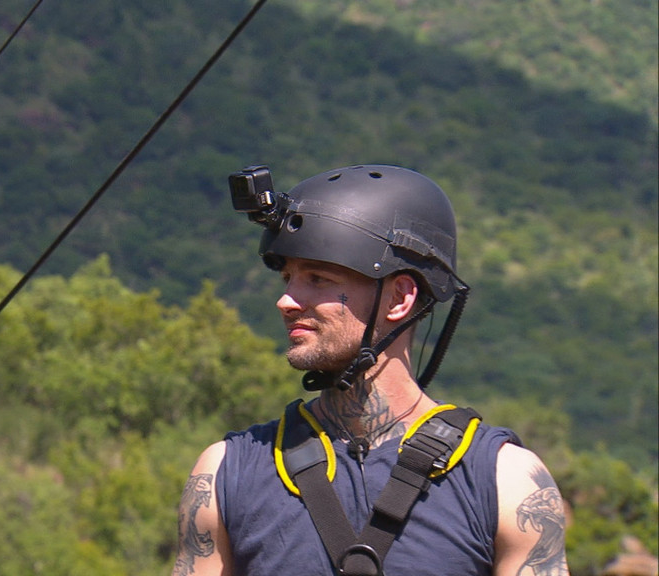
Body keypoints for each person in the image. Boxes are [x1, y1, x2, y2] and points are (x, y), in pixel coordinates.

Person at [173, 164, 569, 575]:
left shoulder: (505, 481)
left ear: (399, 298)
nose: (286, 301)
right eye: (288, 277)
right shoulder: (227, 474)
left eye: (318, 279)